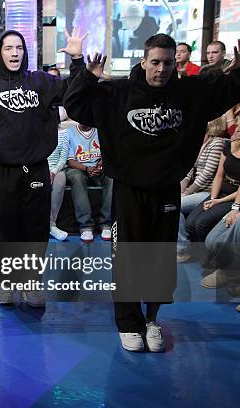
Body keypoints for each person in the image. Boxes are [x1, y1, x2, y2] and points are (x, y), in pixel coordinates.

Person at [63, 34, 240, 352]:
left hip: (167, 190)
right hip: (129, 191)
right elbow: (76, 105)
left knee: (159, 260)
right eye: (155, 62)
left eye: (168, 63)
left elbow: (228, 89)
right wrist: (86, 74)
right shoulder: (118, 92)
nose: (161, 69)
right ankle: (128, 323)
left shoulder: (188, 92)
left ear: (176, 63)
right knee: (127, 259)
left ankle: (152, 320)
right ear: (143, 61)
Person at [0, 30, 86, 307]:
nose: (14, 53)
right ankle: (7, 282)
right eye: (8, 48)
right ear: (0, 52)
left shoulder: (40, 81)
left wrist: (78, 59)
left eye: (19, 47)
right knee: (7, 229)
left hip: (35, 168)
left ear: (25, 51)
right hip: (3, 169)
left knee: (34, 229)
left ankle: (31, 284)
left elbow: (74, 93)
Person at [177, 117, 228, 252]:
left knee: (176, 205)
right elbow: (189, 169)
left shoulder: (217, 143)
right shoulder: (202, 140)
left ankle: (182, 247)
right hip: (194, 189)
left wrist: (187, 192)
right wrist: (182, 190)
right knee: (170, 200)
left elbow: (207, 174)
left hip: (207, 191)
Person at [66, 123, 113, 242]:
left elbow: (107, 152)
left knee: (112, 177)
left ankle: (106, 224)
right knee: (75, 177)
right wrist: (87, 169)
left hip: (98, 168)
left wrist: (101, 164)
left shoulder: (100, 130)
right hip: (79, 169)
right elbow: (70, 161)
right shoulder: (69, 132)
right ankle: (86, 226)